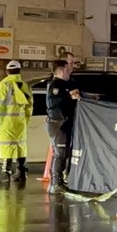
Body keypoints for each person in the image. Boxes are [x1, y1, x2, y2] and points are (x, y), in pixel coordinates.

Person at [0, 60, 33, 183]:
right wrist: (26, 119)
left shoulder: (5, 85)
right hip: (20, 122)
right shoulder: (25, 86)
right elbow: (30, 105)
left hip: (6, 122)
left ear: (7, 71)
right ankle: (21, 172)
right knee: (20, 146)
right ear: (19, 71)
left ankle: (5, 173)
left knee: (6, 146)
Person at [45, 58, 84, 193]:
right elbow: (58, 101)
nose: (69, 72)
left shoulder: (66, 83)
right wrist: (70, 96)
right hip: (57, 124)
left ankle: (59, 181)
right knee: (60, 154)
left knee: (65, 153)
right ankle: (55, 183)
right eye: (67, 70)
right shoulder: (56, 85)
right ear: (61, 71)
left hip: (65, 123)